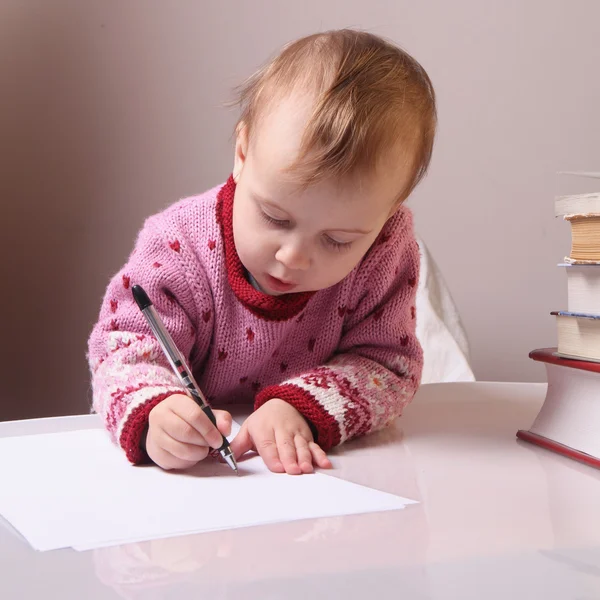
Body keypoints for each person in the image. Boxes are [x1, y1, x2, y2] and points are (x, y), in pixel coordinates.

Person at [87, 29, 437, 475]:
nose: (293, 256)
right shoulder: (178, 242)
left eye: (338, 241)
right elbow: (125, 349)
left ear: (388, 214)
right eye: (275, 217)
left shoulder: (386, 247)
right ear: (242, 152)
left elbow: (389, 365)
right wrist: (157, 411)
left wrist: (302, 407)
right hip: (198, 486)